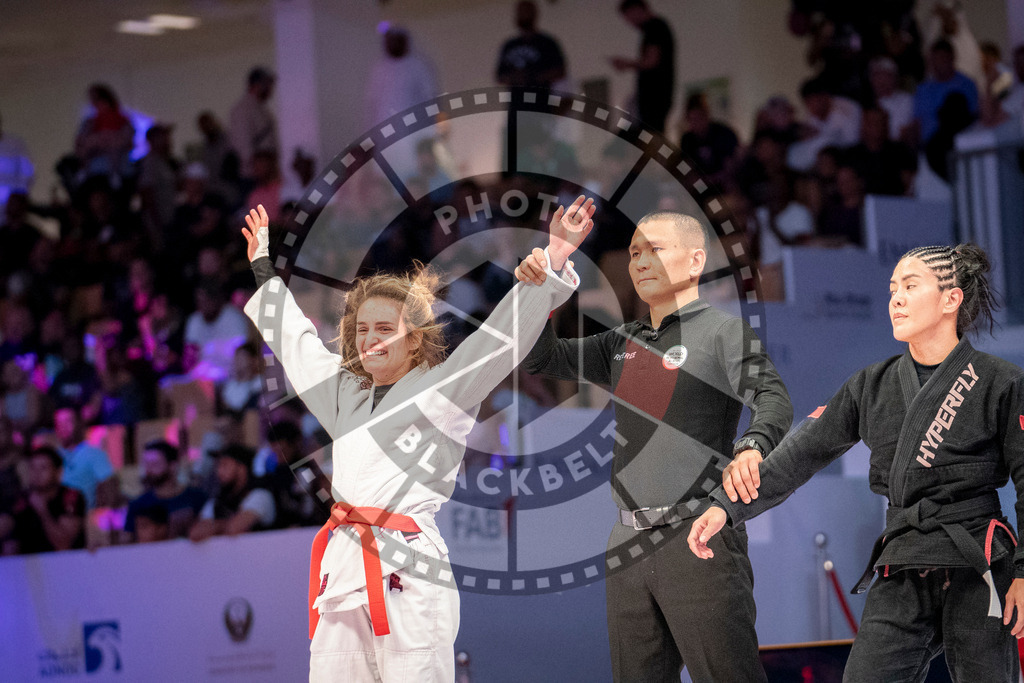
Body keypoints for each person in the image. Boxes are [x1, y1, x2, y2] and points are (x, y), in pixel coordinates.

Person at [241, 194, 593, 681]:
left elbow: (498, 342)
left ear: (414, 338)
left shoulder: (443, 389)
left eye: (385, 328)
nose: (370, 339)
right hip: (342, 569)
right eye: (362, 329)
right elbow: (296, 343)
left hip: (408, 567)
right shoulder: (344, 393)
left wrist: (553, 258)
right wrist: (263, 267)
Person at [689, 244, 1024, 681]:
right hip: (905, 559)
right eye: (892, 289)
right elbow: (800, 455)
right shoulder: (870, 385)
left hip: (978, 562)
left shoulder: (1001, 381)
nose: (896, 299)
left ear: (951, 299)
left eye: (910, 286)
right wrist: (726, 506)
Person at [514, 211, 793, 682]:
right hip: (626, 543)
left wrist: (752, 446)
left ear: (695, 261)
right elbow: (540, 358)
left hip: (697, 533)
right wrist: (546, 279)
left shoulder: (722, 332)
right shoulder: (622, 342)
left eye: (656, 249)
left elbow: (773, 398)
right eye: (634, 252)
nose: (640, 261)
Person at [5, 447, 86, 554]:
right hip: (28, 562)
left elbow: (63, 545)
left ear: (58, 472)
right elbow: (9, 528)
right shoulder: (22, 499)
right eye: (33, 467)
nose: (37, 473)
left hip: (66, 561)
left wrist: (42, 510)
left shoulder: (70, 497)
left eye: (43, 468)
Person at [611, 0, 675, 134]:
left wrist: (626, 64)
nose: (630, 22)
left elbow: (651, 61)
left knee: (651, 137)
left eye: (630, 17)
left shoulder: (655, 27)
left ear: (637, 9)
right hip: (655, 99)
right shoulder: (655, 28)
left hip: (654, 99)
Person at [189, 444, 275, 541]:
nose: (219, 471)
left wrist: (214, 527)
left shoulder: (260, 496)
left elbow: (234, 528)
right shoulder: (215, 503)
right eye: (218, 466)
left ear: (242, 468)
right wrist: (223, 525)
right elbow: (195, 533)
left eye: (225, 465)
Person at [124, 440, 206, 541]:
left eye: (155, 464)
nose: (149, 470)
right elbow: (128, 542)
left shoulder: (197, 497)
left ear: (172, 466)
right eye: (146, 465)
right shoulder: (138, 505)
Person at [53, 406, 118, 510]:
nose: (63, 427)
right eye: (59, 424)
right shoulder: (52, 456)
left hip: (84, 515)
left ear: (79, 424)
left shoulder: (94, 454)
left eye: (68, 422)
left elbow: (111, 491)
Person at [495, 0, 567, 90]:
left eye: (526, 11)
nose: (522, 15)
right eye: (520, 12)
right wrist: (515, 77)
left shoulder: (547, 43)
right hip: (517, 98)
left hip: (540, 97)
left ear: (534, 13)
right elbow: (500, 76)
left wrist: (535, 77)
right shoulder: (509, 45)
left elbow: (560, 71)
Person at [229, 66, 279, 184]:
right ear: (257, 85)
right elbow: (243, 147)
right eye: (268, 84)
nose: (270, 89)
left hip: (266, 175)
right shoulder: (242, 109)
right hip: (253, 177)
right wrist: (259, 170)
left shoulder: (261, 109)